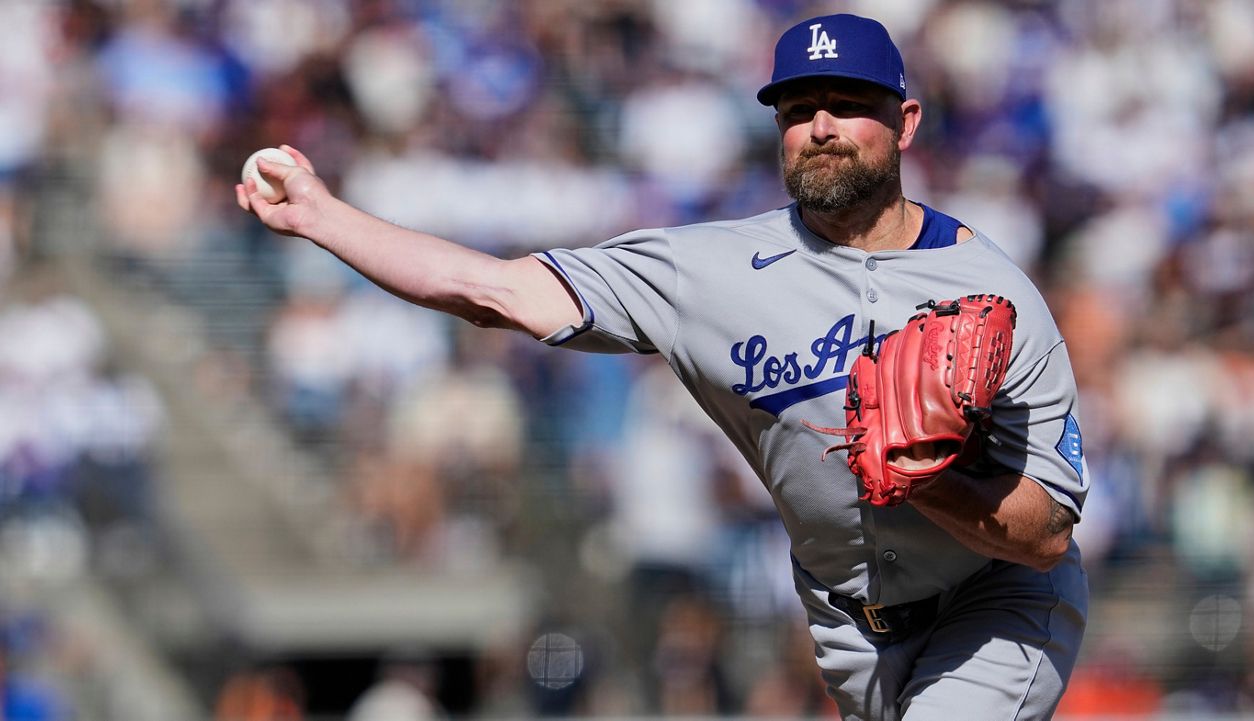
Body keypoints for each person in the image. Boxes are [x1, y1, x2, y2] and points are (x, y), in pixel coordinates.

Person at [237, 13, 1089, 721]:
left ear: (904, 122)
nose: (821, 126)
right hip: (847, 625)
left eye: (847, 103)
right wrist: (324, 217)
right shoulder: (707, 272)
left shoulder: (993, 292)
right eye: (799, 108)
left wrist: (928, 480)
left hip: (996, 598)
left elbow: (1048, 536)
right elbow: (490, 290)